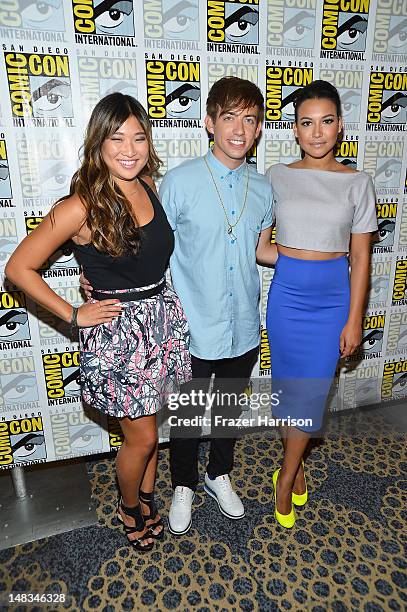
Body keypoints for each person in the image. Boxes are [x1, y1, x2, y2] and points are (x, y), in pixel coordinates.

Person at [5, 93, 192, 550]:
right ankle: (130, 509)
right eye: (117, 138)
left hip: (159, 324)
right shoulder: (81, 205)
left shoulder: (147, 183)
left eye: (139, 138)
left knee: (147, 432)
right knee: (142, 436)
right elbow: (18, 268)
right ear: (98, 144)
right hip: (118, 334)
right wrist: (74, 312)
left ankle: (146, 499)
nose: (129, 149)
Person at [159, 77, 275, 534]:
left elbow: (264, 250)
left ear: (260, 127)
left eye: (250, 119)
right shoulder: (180, 181)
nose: (239, 129)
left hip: (244, 321)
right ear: (209, 122)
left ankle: (217, 474)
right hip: (194, 323)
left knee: (227, 408)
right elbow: (154, 250)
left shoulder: (264, 188)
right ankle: (183, 482)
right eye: (229, 117)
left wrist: (319, 258)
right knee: (188, 413)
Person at [265, 80, 378, 528]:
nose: (316, 133)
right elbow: (262, 245)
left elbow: (362, 258)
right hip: (287, 295)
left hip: (332, 299)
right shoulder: (277, 175)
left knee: (311, 398)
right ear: (294, 129)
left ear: (340, 127)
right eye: (306, 123)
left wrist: (355, 319)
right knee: (291, 393)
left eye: (326, 122)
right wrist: (294, 261)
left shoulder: (358, 183)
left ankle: (286, 474)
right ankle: (295, 464)